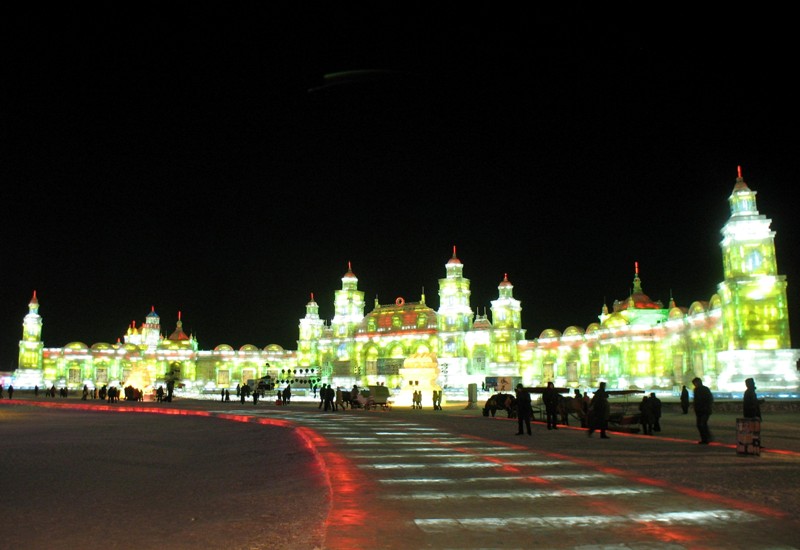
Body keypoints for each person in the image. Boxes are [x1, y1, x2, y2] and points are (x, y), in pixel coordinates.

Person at [692, 376, 714, 444]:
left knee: (702, 424)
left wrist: (706, 407)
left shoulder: (703, 389)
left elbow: (709, 399)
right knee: (701, 424)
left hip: (704, 410)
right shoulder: (697, 389)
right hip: (700, 410)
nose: (695, 384)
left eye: (695, 383)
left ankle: (706, 439)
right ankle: (706, 438)